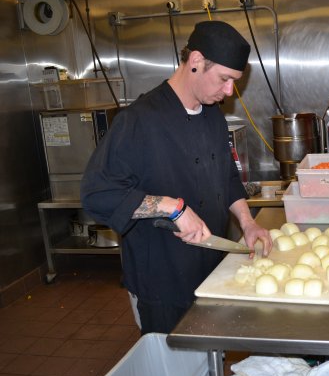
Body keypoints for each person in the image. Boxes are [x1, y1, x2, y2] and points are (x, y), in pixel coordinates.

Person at [80, 20, 272, 334]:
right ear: (196, 62)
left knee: (209, 363)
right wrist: (173, 208)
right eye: (224, 79)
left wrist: (247, 222)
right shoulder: (139, 120)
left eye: (233, 82)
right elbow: (97, 194)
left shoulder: (212, 116)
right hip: (162, 284)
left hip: (210, 270)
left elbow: (226, 176)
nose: (228, 92)